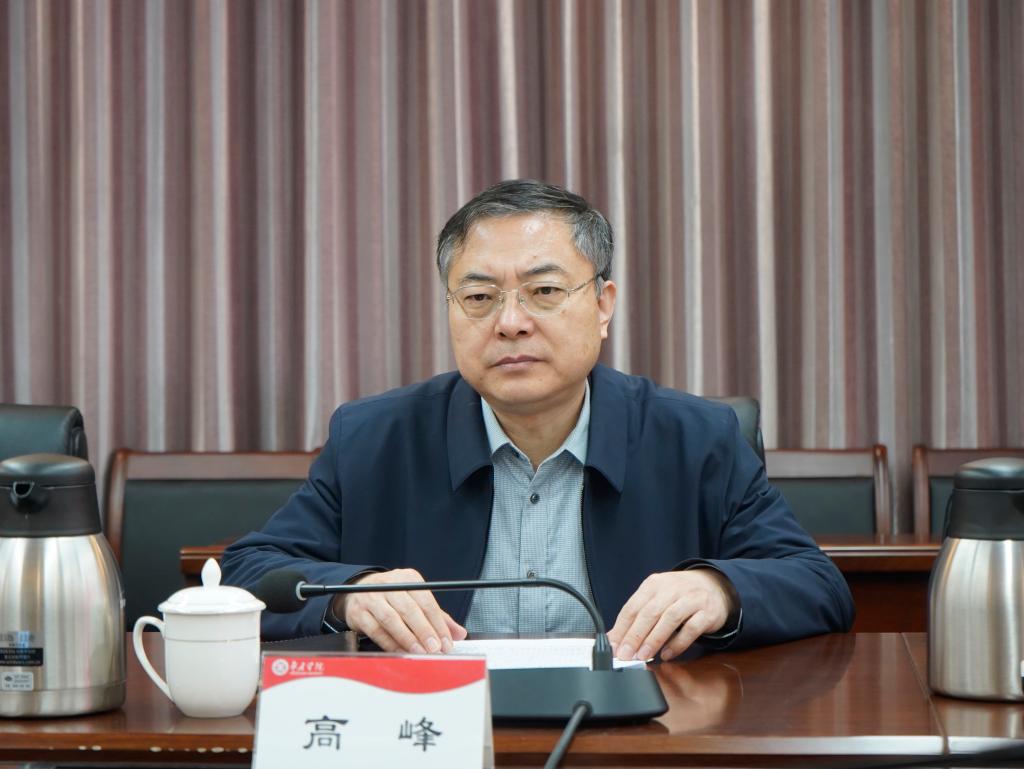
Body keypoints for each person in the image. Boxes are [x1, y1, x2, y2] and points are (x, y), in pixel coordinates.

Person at [221, 179, 854, 661]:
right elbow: (246, 575)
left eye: (545, 292)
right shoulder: (374, 438)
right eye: (479, 297)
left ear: (603, 306)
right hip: (443, 737)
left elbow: (817, 585)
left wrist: (721, 590)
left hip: (638, 740)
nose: (510, 322)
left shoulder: (696, 438)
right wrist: (350, 593)